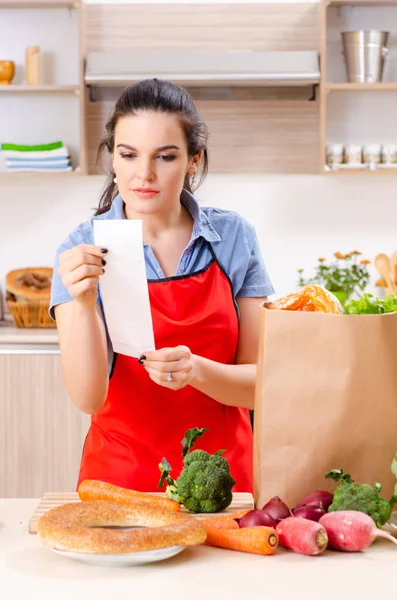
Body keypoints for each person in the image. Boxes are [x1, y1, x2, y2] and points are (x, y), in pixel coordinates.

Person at [50, 78, 274, 494]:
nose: (144, 174)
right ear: (113, 160)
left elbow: (263, 386)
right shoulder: (81, 249)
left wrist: (197, 371)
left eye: (165, 157)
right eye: (129, 155)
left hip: (225, 488)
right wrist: (82, 304)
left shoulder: (233, 238)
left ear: (193, 161)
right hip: (119, 485)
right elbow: (87, 398)